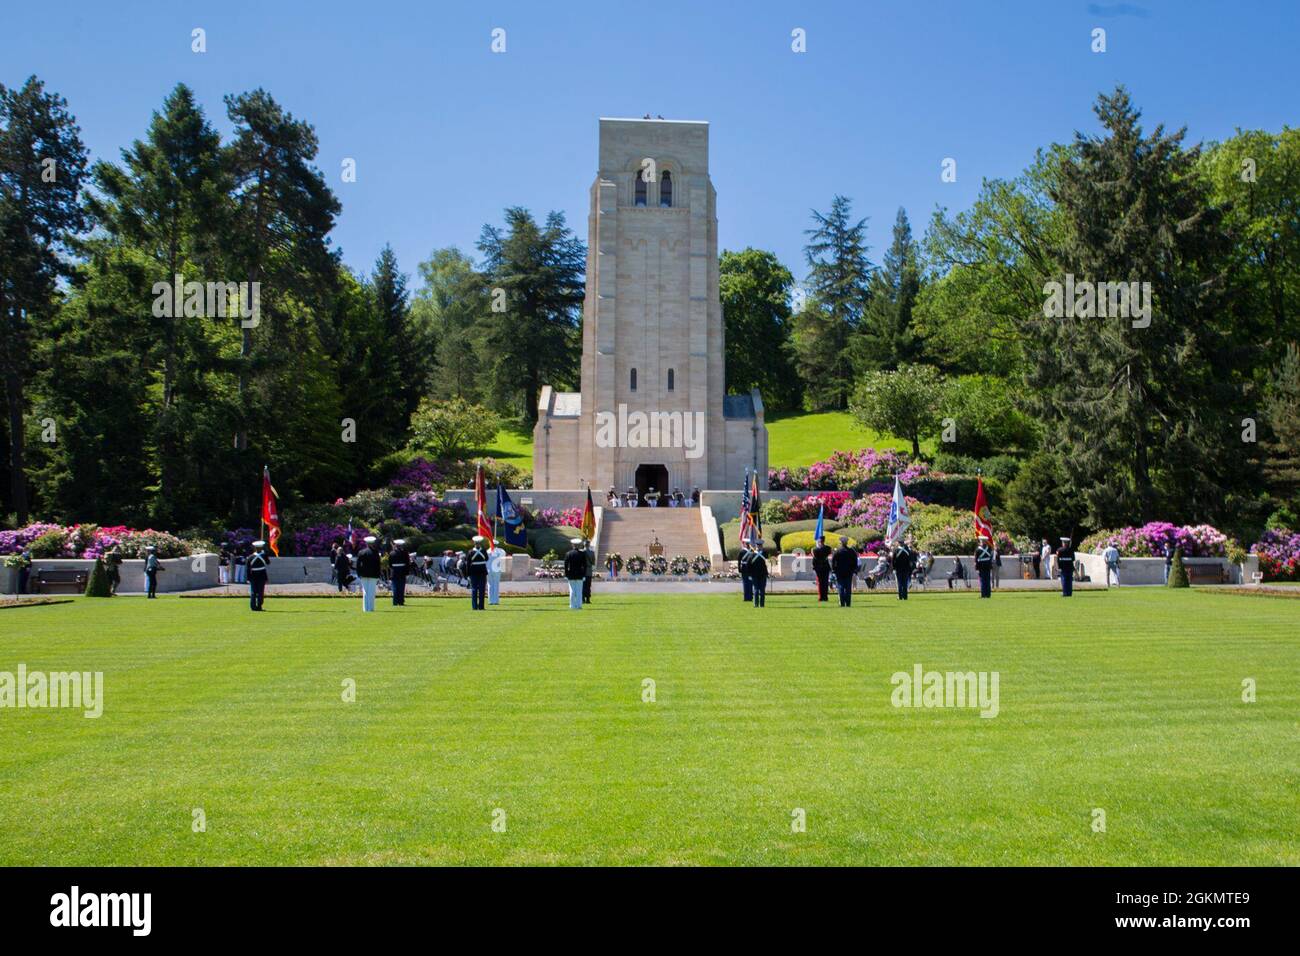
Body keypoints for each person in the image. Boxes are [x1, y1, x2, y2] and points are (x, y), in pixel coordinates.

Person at [355, 536, 381, 612]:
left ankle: (365, 608)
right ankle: (371, 608)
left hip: (363, 574)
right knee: (371, 592)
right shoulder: (375, 552)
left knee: (365, 591)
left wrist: (359, 573)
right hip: (373, 574)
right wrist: (378, 574)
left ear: (366, 543)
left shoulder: (361, 552)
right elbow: (378, 565)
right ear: (372, 543)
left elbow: (358, 564)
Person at [832, 538, 859, 607]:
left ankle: (842, 602)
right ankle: (848, 602)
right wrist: (854, 569)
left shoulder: (837, 551)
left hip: (839, 571)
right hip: (849, 571)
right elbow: (855, 561)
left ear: (841, 543)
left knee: (840, 586)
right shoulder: (851, 551)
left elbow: (833, 561)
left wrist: (834, 569)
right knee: (848, 587)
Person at [466, 536, 489, 610]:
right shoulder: (483, 551)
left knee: (474, 589)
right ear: (480, 543)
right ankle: (481, 607)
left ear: (474, 543)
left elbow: (468, 564)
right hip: (482, 572)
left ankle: (474, 606)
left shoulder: (470, 552)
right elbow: (487, 558)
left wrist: (468, 574)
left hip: (473, 572)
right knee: (482, 589)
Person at [563, 538, 586, 609]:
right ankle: (579, 605)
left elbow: (566, 565)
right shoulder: (582, 554)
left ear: (572, 545)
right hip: (579, 574)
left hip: (571, 574)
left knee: (572, 591)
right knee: (579, 591)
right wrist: (584, 575)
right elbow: (584, 566)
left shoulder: (568, 554)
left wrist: (566, 574)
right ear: (579, 545)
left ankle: (572, 605)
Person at [247, 540, 270, 611]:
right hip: (262, 575)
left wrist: (248, 578)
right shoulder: (264, 555)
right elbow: (268, 563)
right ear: (261, 548)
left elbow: (248, 568)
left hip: (253, 575)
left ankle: (253, 606)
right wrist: (265, 554)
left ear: (255, 548)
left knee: (253, 591)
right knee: (260, 591)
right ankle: (259, 606)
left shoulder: (250, 557)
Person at [389, 538, 411, 605]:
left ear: (395, 545)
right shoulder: (404, 553)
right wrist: (407, 572)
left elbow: (390, 564)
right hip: (402, 571)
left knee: (395, 587)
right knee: (401, 587)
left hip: (394, 571)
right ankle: (401, 601)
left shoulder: (392, 553)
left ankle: (395, 601)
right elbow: (407, 563)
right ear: (401, 545)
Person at [811, 535, 833, 602]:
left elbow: (814, 559)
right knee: (825, 582)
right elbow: (830, 552)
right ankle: (825, 597)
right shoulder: (828, 548)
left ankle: (821, 597)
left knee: (820, 583)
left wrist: (814, 567)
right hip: (825, 567)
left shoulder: (815, 549)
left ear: (820, 541)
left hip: (818, 568)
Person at [487, 539, 506, 605]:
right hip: (497, 570)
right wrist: (502, 570)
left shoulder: (488, 551)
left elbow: (486, 562)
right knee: (496, 585)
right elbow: (503, 562)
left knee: (490, 585)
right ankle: (496, 601)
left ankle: (491, 601)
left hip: (489, 570)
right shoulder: (502, 551)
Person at [581, 539, 595, 604]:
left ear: (584, 544)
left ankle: (582, 598)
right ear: (589, 545)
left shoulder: (580, 552)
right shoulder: (592, 553)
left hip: (582, 571)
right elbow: (593, 562)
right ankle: (588, 599)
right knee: (588, 585)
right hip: (589, 571)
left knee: (582, 585)